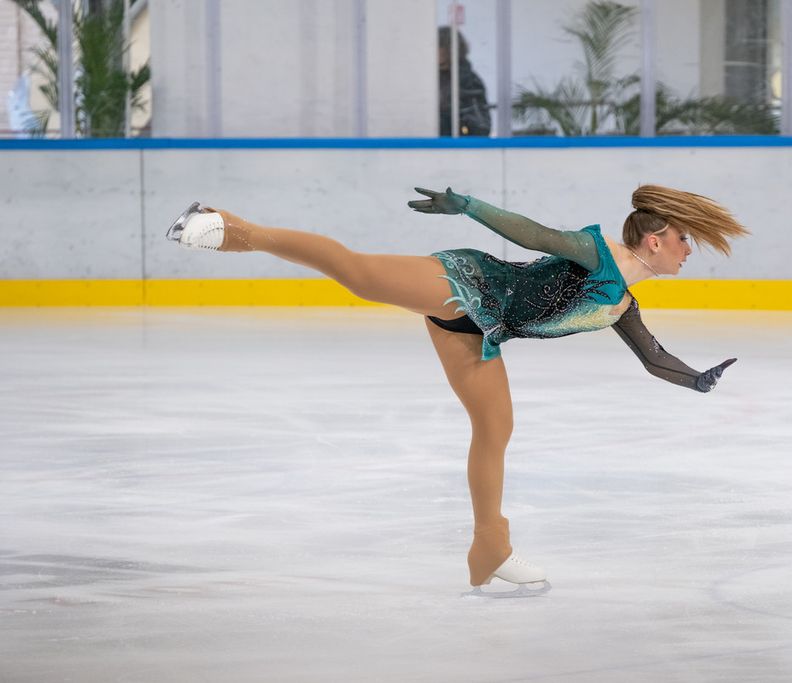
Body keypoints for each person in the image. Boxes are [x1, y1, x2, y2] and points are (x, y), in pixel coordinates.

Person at [166, 185, 746, 597]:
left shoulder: (622, 303)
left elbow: (654, 358)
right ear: (655, 240)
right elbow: (533, 233)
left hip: (481, 328)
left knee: (496, 427)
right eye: (684, 240)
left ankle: (490, 548)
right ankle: (228, 227)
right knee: (360, 274)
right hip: (468, 283)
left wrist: (697, 379)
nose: (688, 251)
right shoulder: (600, 255)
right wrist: (468, 206)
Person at [438, 27, 491, 137]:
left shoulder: (468, 80)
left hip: (459, 141)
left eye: (439, 45)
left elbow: (481, 126)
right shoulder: (428, 78)